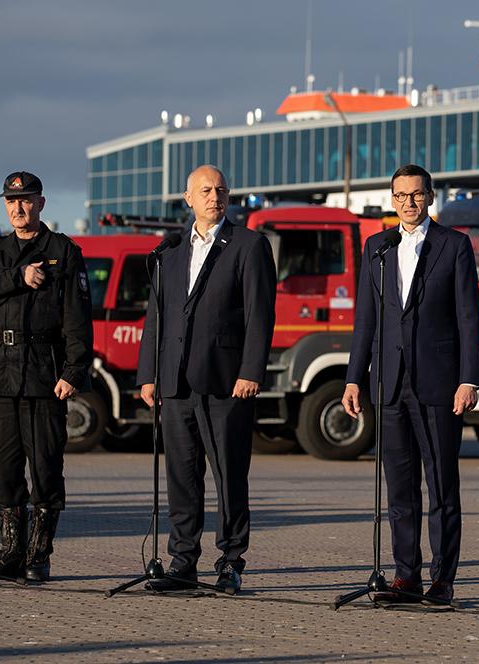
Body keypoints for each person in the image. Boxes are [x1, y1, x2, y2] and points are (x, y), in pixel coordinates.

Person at [343, 164, 479, 605]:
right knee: (400, 488)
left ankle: (442, 579)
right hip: (388, 383)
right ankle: (406, 575)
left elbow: (469, 317)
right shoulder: (377, 247)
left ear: (430, 197)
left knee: (441, 485)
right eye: (401, 195)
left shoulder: (454, 245)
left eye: (417, 194)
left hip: (438, 383)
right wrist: (353, 378)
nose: (409, 202)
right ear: (392, 199)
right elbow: (365, 319)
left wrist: (469, 378)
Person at [137, 165, 276, 594]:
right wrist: (148, 374)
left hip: (226, 381)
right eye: (205, 190)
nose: (214, 197)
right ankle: (183, 562)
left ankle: (231, 561)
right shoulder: (170, 250)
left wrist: (251, 370)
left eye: (220, 190)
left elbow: (260, 314)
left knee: (229, 476)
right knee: (182, 476)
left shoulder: (249, 245)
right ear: (188, 198)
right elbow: (156, 316)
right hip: (176, 380)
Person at [0, 171, 93, 582]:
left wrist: (74, 370)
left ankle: (39, 555)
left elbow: (77, 316)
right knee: (3, 469)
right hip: (1, 370)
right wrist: (16, 278)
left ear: (41, 203)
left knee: (45, 467)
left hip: (44, 371)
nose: (17, 207)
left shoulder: (62, 251)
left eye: (25, 200)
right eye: (11, 201)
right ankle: (11, 553)